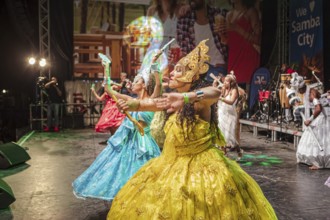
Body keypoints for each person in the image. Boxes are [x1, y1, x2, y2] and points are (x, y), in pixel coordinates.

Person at [108, 40, 277, 219]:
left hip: (204, 169)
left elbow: (215, 92)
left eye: (178, 70)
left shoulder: (198, 102)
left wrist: (186, 97)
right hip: (171, 164)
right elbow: (152, 102)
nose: (172, 73)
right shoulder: (173, 100)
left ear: (191, 76)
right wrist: (133, 103)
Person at [72, 59, 161, 201]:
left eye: (137, 81)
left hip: (144, 141)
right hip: (128, 140)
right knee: (121, 170)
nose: (132, 83)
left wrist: (155, 65)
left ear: (143, 85)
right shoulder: (128, 98)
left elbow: (158, 84)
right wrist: (106, 68)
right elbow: (108, 89)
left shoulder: (152, 100)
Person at [177, 0, 228, 82]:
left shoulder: (219, 14)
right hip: (197, 70)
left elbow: (232, 42)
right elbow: (184, 51)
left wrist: (227, 64)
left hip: (218, 68)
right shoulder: (184, 20)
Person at [217, 0, 261, 86]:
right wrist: (221, 33)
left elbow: (258, 39)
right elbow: (229, 42)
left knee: (249, 90)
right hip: (234, 58)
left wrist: (237, 28)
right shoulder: (229, 14)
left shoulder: (250, 12)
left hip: (248, 58)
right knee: (234, 89)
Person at [296, 88, 330, 170]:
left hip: (321, 121)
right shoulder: (322, 98)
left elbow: (318, 109)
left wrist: (309, 120)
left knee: (317, 139)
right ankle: (321, 161)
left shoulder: (315, 98)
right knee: (325, 140)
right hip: (326, 120)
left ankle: (318, 162)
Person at [215, 73, 243, 161]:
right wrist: (215, 84)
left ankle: (239, 150)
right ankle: (224, 154)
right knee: (221, 134)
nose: (225, 82)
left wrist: (221, 99)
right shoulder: (223, 89)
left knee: (230, 136)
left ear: (231, 83)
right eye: (225, 80)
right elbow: (216, 93)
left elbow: (231, 101)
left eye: (227, 81)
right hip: (222, 113)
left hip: (230, 115)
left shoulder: (234, 90)